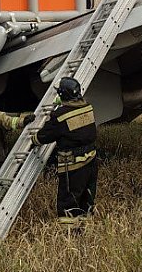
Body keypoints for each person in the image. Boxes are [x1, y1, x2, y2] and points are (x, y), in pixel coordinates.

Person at [31, 77, 98, 224]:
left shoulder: (59, 116)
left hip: (73, 164)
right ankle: (85, 227)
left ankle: (70, 234)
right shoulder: (88, 107)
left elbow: (44, 137)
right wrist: (62, 103)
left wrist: (33, 139)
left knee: (68, 199)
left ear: (62, 95)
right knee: (86, 197)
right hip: (90, 160)